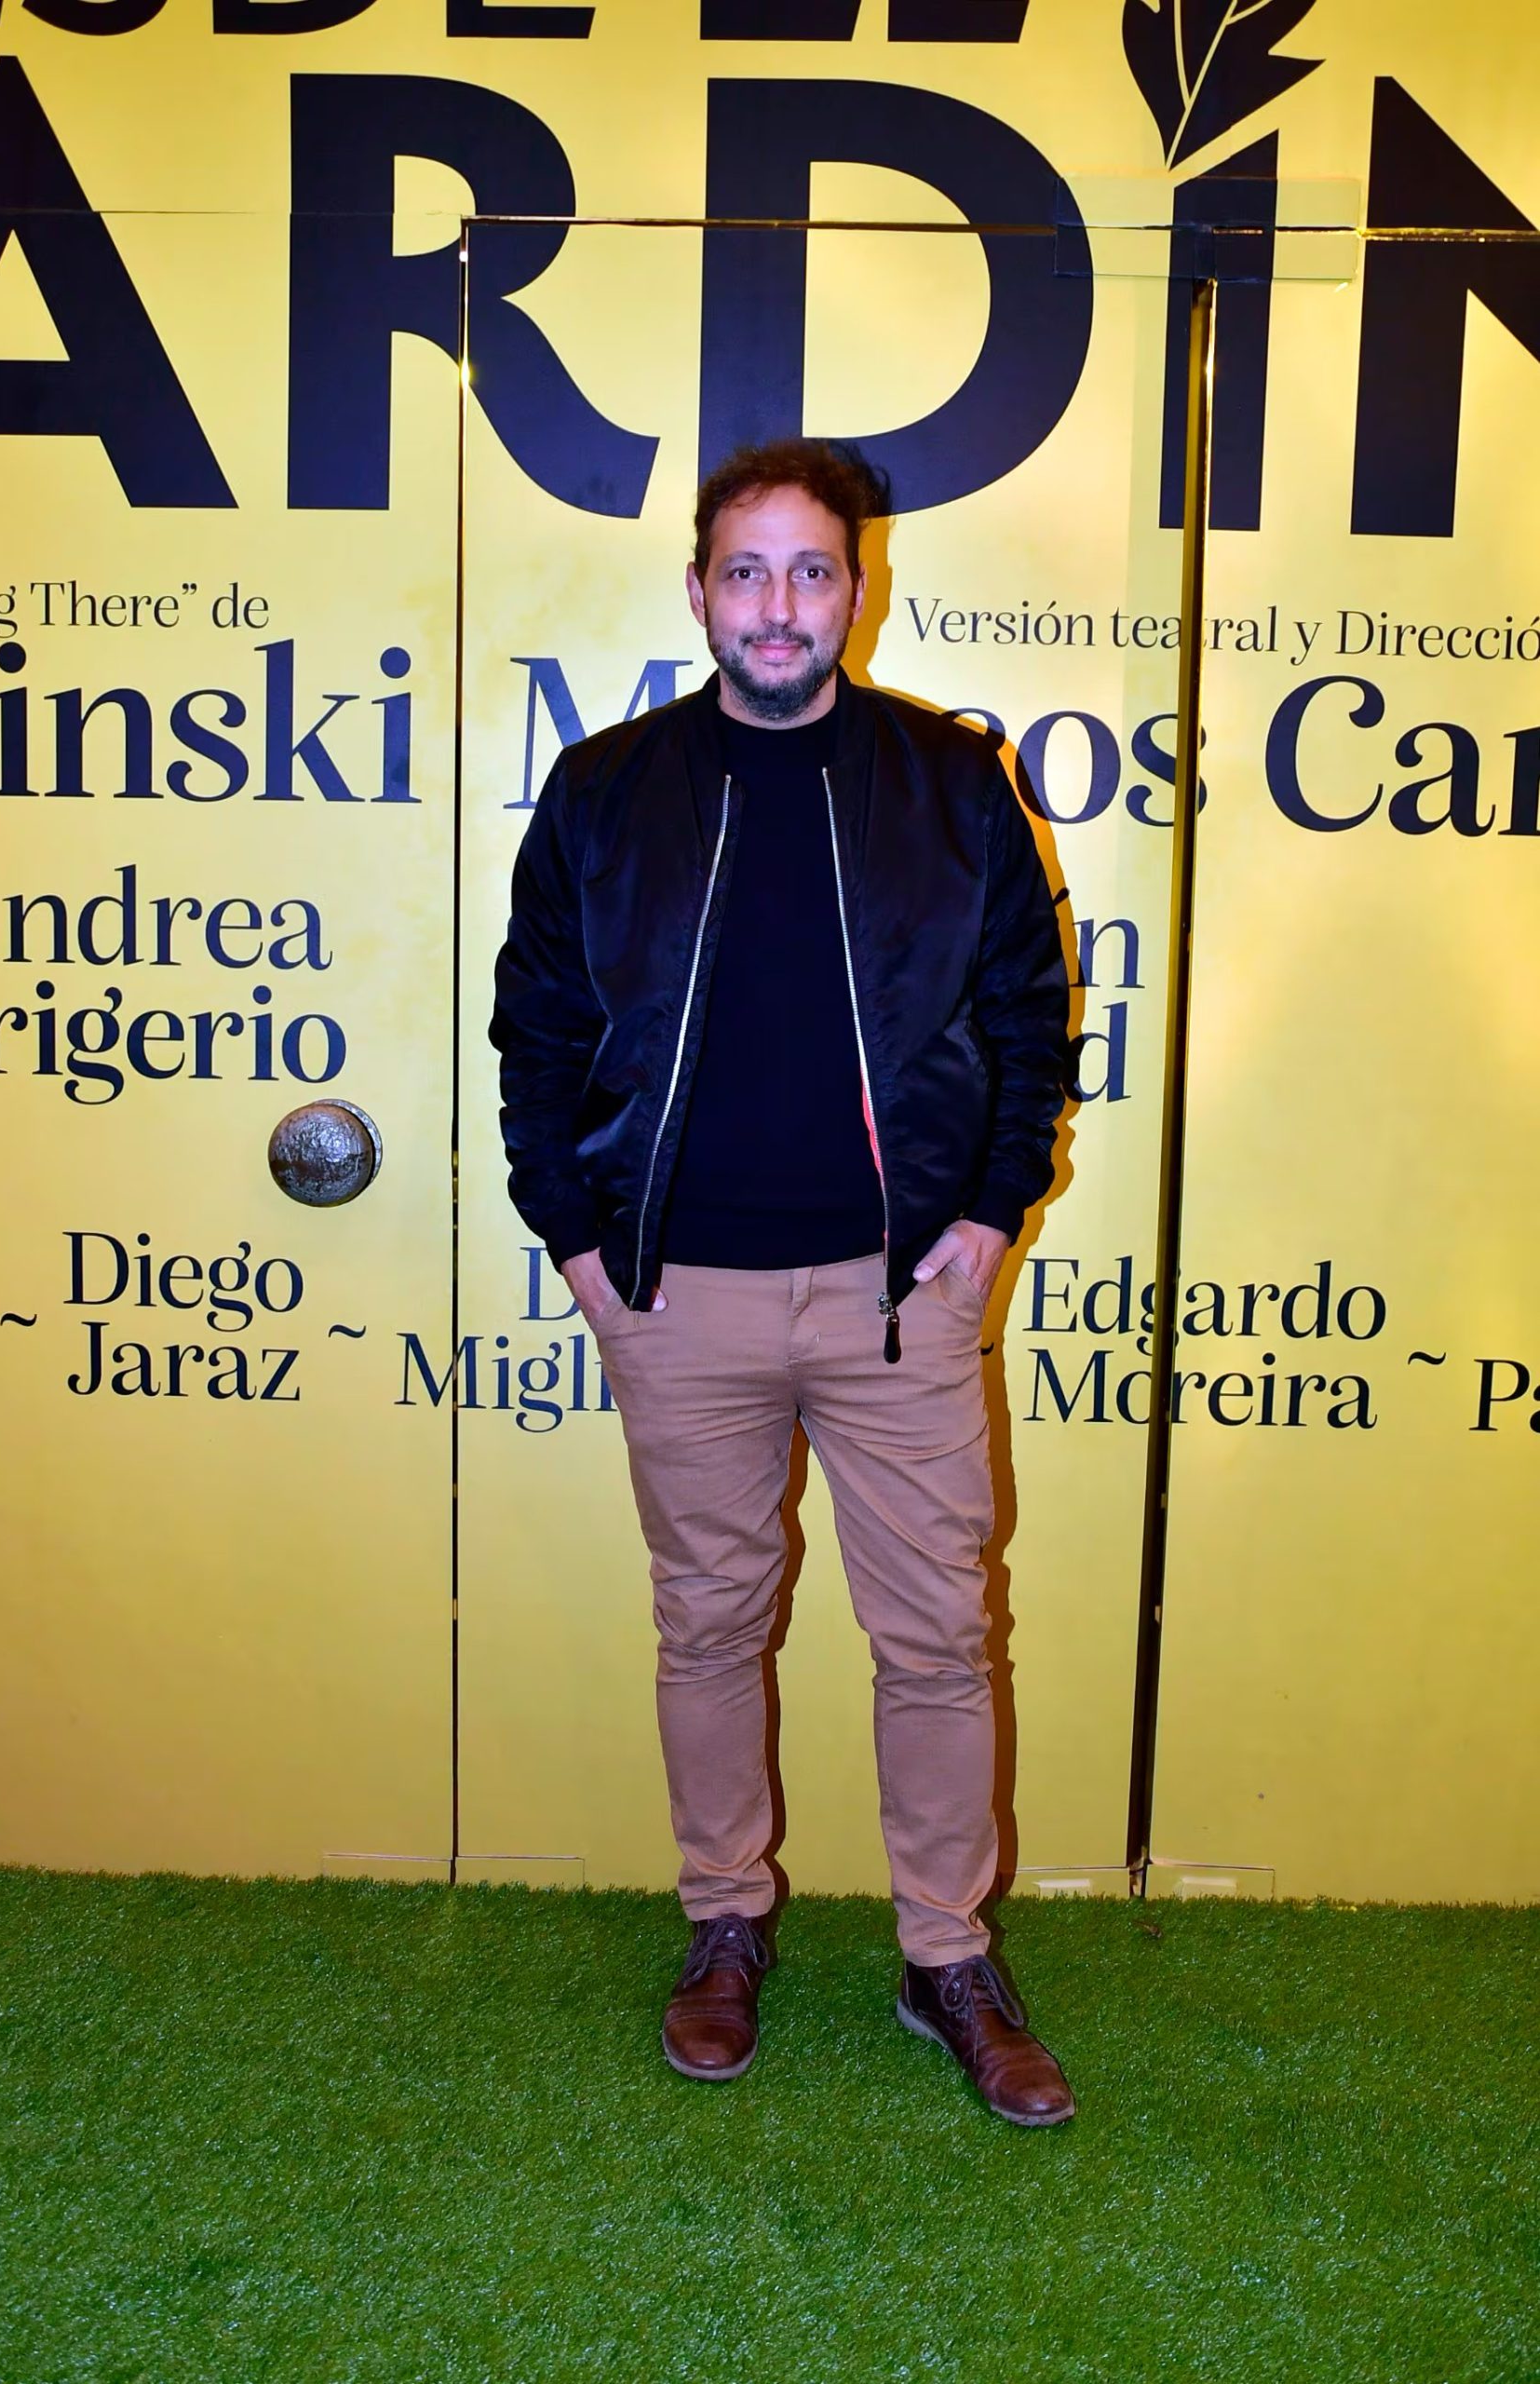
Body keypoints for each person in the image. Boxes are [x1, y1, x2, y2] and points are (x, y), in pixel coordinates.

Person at [491, 440, 1076, 2126]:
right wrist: (585, 1252)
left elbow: (1029, 1017)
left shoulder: (950, 786)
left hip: (899, 1296)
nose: (779, 604)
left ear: (857, 589)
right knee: (708, 1623)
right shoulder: (606, 794)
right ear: (697, 592)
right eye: (745, 571)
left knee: (941, 1636)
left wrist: (986, 1216)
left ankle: (946, 1953)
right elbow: (537, 1035)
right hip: (680, 1298)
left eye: (811, 571)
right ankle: (724, 1923)